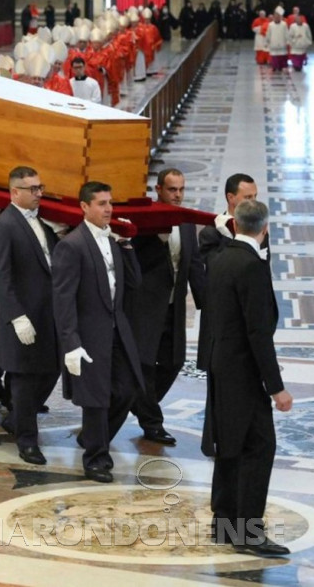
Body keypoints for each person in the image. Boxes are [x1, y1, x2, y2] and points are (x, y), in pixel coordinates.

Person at [199, 199, 292, 558]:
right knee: (259, 448)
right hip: (244, 374)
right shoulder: (251, 266)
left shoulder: (221, 258)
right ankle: (249, 533)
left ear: (235, 225)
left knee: (230, 444)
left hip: (222, 368)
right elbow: (257, 333)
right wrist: (276, 387)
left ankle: (223, 522)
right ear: (265, 228)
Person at [52, 181, 143, 483]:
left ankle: (93, 438)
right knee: (95, 400)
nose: (109, 209)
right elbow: (63, 299)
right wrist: (71, 343)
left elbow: (134, 284)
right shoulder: (72, 245)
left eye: (110, 203)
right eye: (102, 204)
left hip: (117, 331)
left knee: (127, 390)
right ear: (84, 207)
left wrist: (127, 246)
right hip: (89, 336)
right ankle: (95, 459)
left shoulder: (114, 242)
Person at [125, 169, 205, 446]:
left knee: (174, 361)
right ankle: (152, 422)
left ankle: (139, 402)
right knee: (145, 365)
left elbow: (193, 263)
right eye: (172, 190)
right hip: (145, 307)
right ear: (158, 189)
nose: (178, 195)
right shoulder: (144, 220)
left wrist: (207, 304)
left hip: (174, 306)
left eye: (181, 189)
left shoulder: (185, 222)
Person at [0, 166, 60, 465]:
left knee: (51, 370)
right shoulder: (3, 226)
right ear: (14, 191)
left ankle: (17, 419)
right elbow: (0, 277)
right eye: (32, 189)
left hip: (47, 316)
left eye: (40, 187)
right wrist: (16, 316)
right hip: (22, 318)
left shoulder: (40, 224)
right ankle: (27, 441)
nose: (39, 193)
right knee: (24, 381)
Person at [198, 173, 265, 267]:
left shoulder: (259, 227)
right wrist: (227, 237)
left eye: (255, 196)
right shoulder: (210, 233)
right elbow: (215, 267)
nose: (254, 202)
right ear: (231, 198)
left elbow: (264, 265)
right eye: (248, 197)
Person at [265, 8, 289, 72]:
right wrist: (267, 41)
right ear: (274, 17)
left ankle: (280, 67)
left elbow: (286, 33)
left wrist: (288, 41)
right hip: (274, 43)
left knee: (281, 57)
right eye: (276, 16)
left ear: (280, 17)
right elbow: (268, 33)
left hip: (282, 42)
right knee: (274, 57)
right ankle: (274, 66)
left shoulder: (284, 24)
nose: (277, 18)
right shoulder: (270, 25)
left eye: (278, 16)